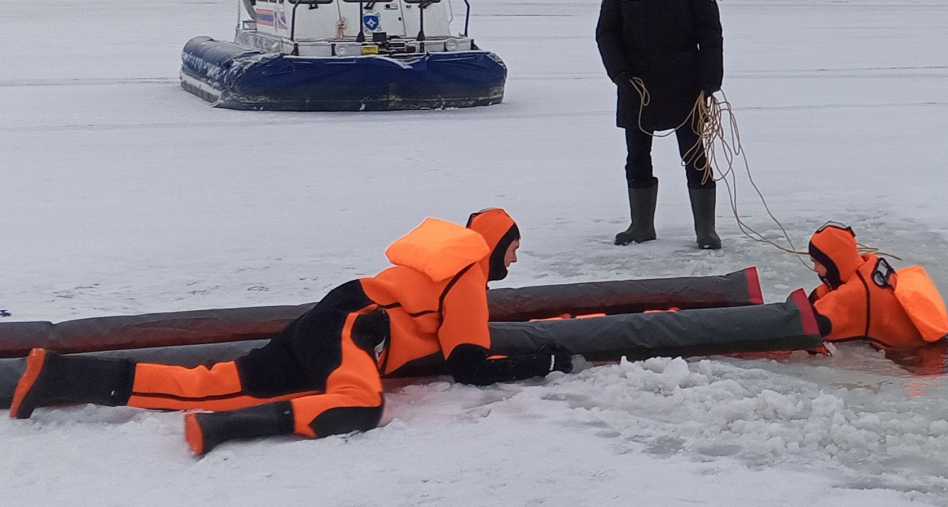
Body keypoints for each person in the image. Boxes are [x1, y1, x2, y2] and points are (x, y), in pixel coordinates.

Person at [9, 208, 572, 455]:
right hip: (355, 330)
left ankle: (58, 375)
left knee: (216, 378)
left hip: (325, 316)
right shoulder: (467, 275)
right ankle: (225, 429)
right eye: (515, 250)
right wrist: (543, 361)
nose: (515, 263)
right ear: (497, 246)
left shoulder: (435, 264)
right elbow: (469, 367)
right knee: (358, 407)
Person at [596, 0, 725, 250]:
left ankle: (705, 230)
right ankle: (641, 226)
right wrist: (619, 73)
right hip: (636, 83)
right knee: (637, 155)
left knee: (695, 154)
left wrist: (711, 79)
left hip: (686, 82)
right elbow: (606, 33)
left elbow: (710, 33)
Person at [806, 222, 948, 348]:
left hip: (919, 358)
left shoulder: (857, 293)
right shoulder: (869, 266)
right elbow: (824, 296)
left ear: (833, 264)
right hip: (924, 340)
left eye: (818, 263)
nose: (815, 269)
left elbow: (808, 327)